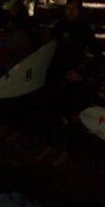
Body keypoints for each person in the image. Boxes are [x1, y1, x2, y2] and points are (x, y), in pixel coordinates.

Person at [36, 0, 103, 165]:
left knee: (70, 116)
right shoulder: (59, 26)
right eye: (68, 8)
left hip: (72, 79)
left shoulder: (84, 29)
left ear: (79, 10)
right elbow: (49, 49)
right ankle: (50, 145)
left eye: (74, 9)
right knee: (50, 112)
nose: (70, 12)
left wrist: (81, 73)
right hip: (55, 75)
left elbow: (97, 56)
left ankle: (67, 151)